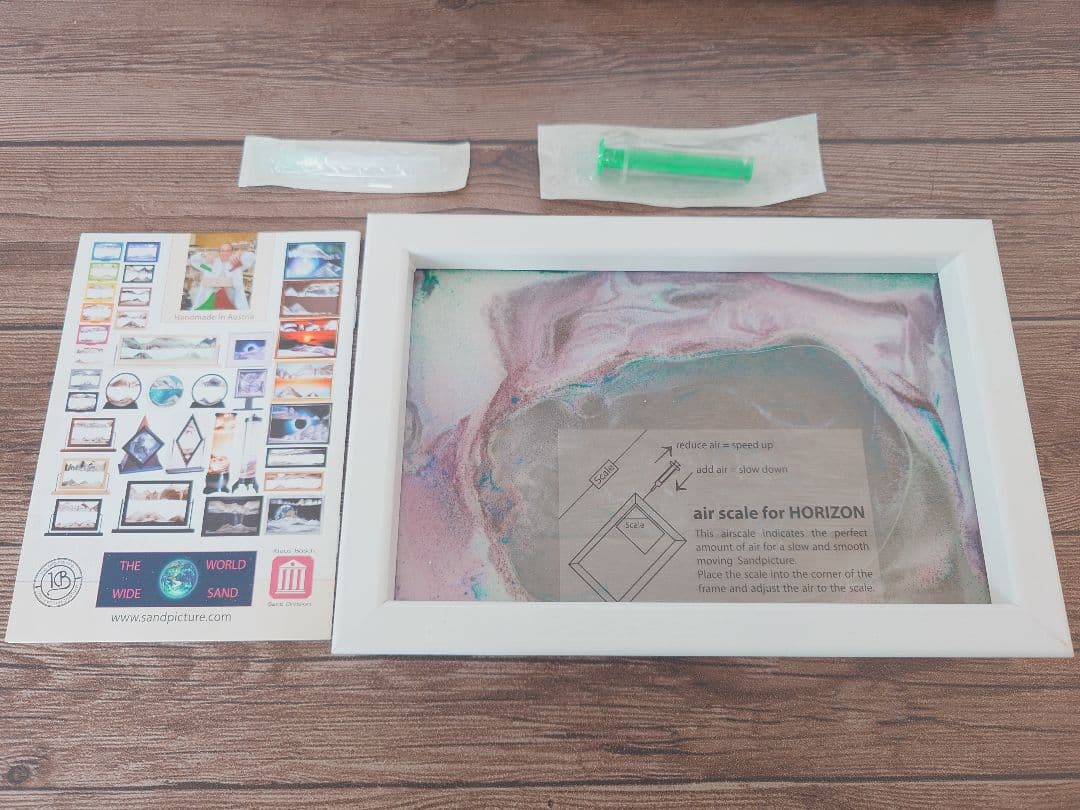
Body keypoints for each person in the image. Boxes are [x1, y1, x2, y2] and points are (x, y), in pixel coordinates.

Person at [186, 242, 255, 310]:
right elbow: (194, 260)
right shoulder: (209, 264)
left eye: (228, 251)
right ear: (219, 252)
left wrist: (240, 253)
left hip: (232, 302)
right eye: (223, 251)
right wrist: (204, 255)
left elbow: (251, 257)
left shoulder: (237, 263)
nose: (225, 253)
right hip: (210, 299)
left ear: (232, 252)